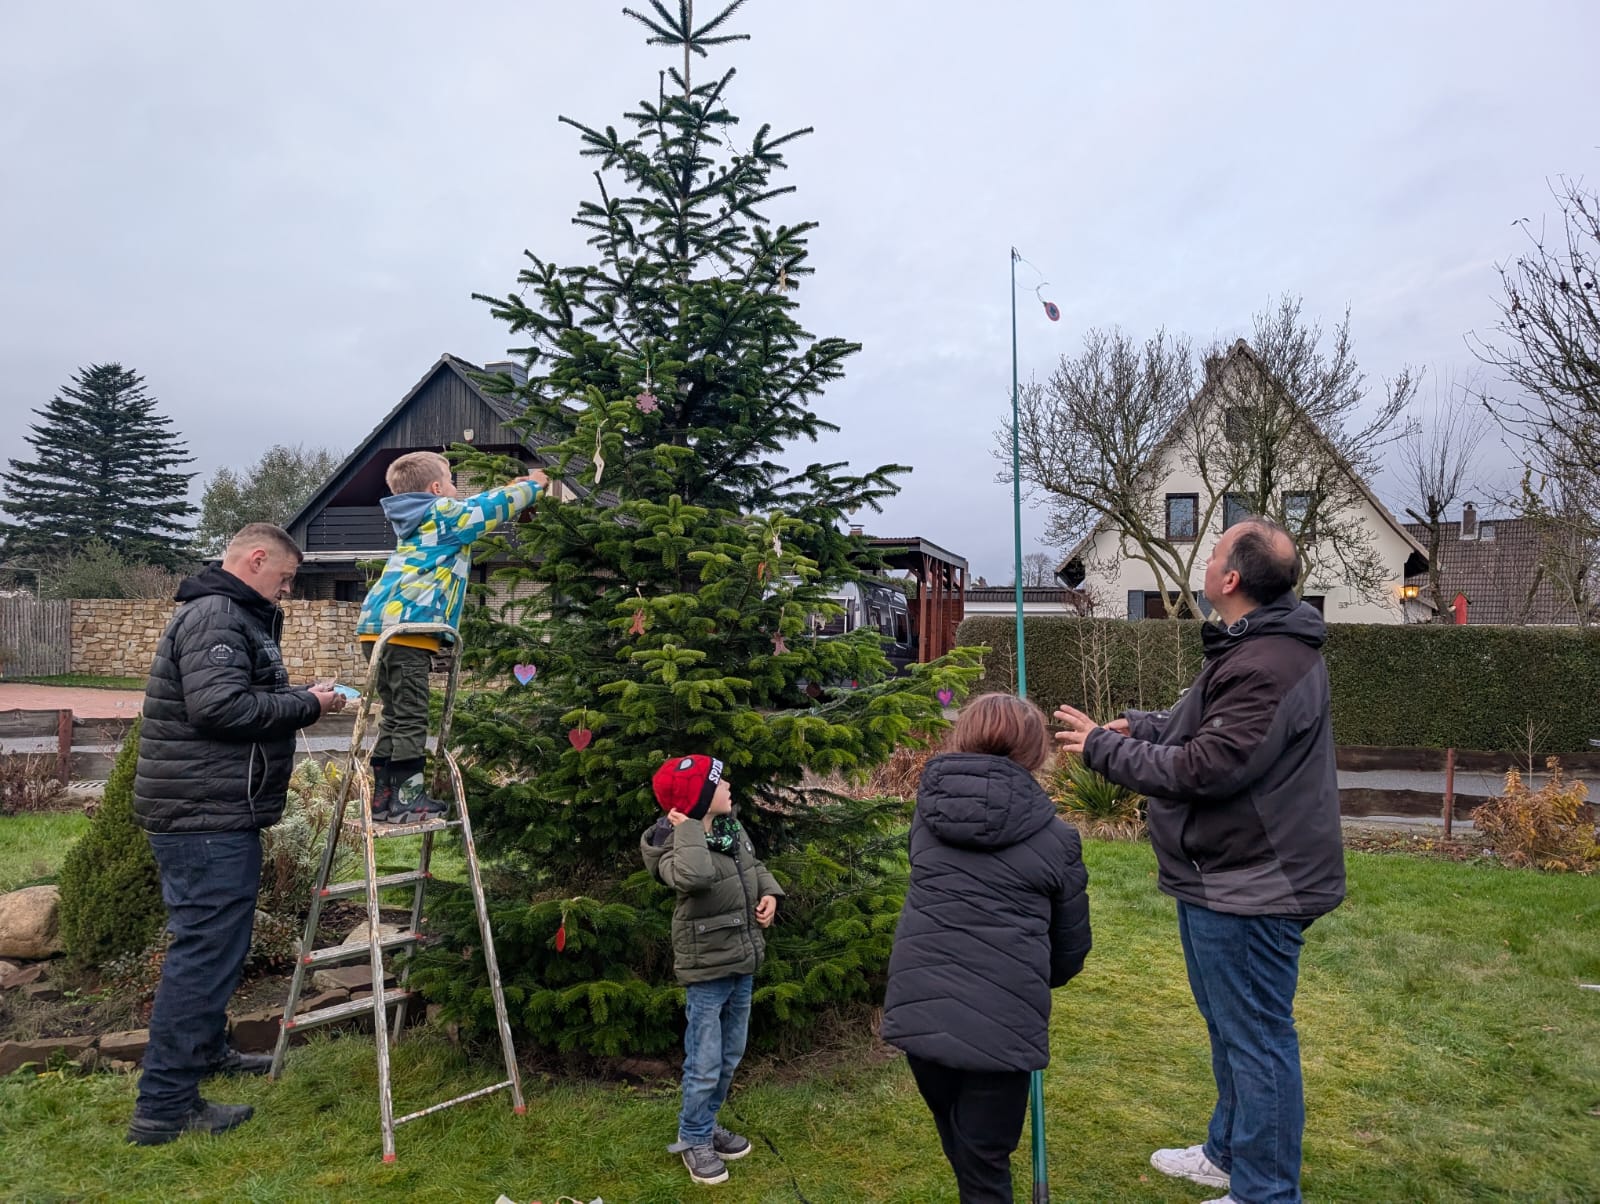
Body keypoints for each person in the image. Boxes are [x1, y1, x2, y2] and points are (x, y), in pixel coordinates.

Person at [1053, 517, 1346, 1204]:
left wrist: (1103, 748)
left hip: (1255, 883)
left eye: (1214, 551)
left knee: (1257, 1040)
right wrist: (1141, 725)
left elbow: (1210, 765)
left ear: (1232, 579)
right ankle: (1226, 1153)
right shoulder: (1251, 647)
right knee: (1230, 1028)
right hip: (1224, 877)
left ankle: (1265, 1191)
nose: (1206, 558)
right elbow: (1202, 724)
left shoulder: (1269, 661)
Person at [127, 523, 346, 1146]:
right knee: (202, 953)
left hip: (212, 809)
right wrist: (311, 705)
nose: (286, 591)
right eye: (284, 578)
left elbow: (235, 695)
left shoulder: (229, 615)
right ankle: (165, 1106)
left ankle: (207, 1054)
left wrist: (298, 693)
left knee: (212, 946)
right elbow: (220, 709)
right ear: (256, 559)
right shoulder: (219, 617)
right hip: (205, 817)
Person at [881, 693, 1092, 1204]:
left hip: (922, 1012)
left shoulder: (926, 819)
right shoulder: (1058, 840)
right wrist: (1032, 978)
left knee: (964, 1143)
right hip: (1000, 1028)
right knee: (983, 1163)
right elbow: (1068, 951)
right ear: (1035, 751)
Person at [356, 451, 546, 822]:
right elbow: (484, 510)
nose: (459, 491)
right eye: (453, 481)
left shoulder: (416, 519)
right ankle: (408, 799)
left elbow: (480, 503)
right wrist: (532, 487)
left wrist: (509, 486)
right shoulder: (440, 513)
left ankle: (383, 800)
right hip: (406, 630)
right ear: (437, 488)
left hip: (377, 629)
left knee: (394, 716)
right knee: (411, 717)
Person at [641, 755, 783, 1187]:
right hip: (706, 970)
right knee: (704, 1061)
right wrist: (688, 825)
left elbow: (753, 868)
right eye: (719, 784)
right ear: (700, 797)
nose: (729, 787)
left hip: (743, 959)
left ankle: (707, 1124)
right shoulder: (671, 843)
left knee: (729, 1055)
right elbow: (696, 877)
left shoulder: (730, 828)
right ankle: (694, 1138)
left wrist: (770, 894)